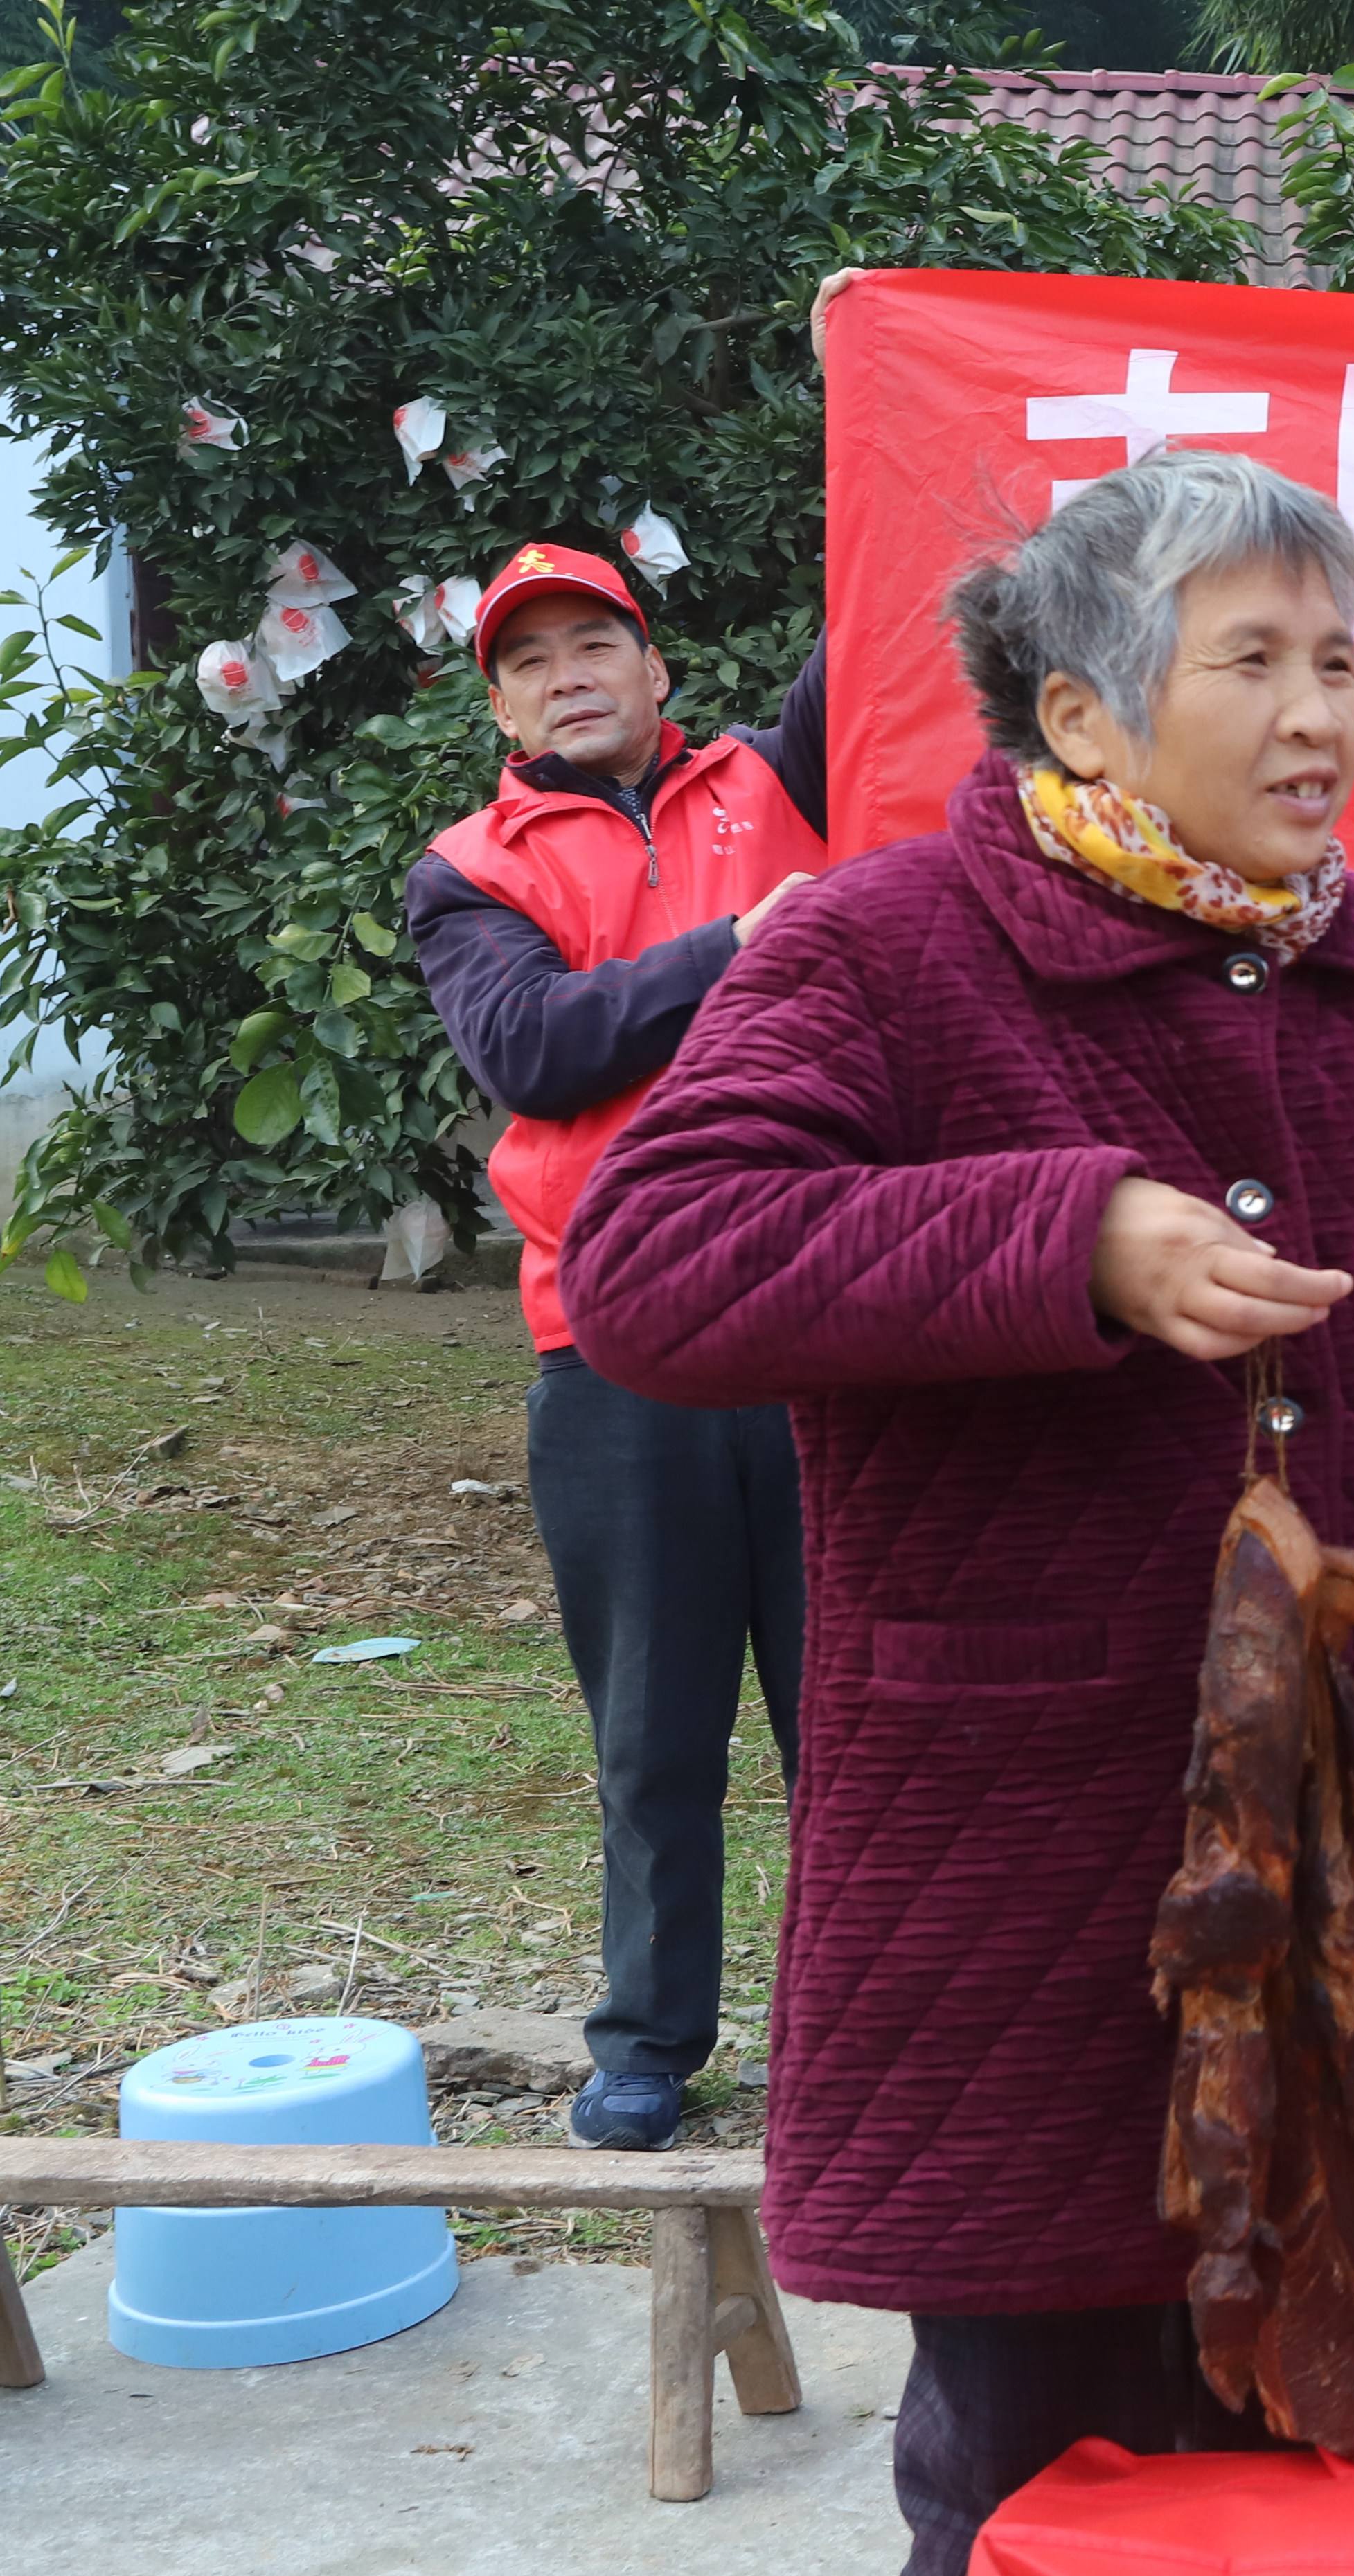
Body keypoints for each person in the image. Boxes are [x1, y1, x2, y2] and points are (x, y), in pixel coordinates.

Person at [558, 449, 1354, 2576]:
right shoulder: (889, 950)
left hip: (1344, 1834)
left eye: (1340, 659)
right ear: (1083, 714)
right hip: (1039, 1840)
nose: (1322, 712)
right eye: (1254, 662)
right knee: (1034, 2477)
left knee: (1316, 2441)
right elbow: (655, 1258)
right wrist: (1070, 1236)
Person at [404, 540, 828, 2154]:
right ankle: (648, 2040)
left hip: (818, 1328)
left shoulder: (789, 780)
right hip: (617, 1347)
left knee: (848, 1720)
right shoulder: (473, 868)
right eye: (531, 660)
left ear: (660, 668)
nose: (569, 672)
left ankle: (858, 2033)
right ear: (500, 706)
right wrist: (737, 950)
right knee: (653, 1733)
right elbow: (537, 1045)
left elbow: (888, 611)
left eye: (599, 642)